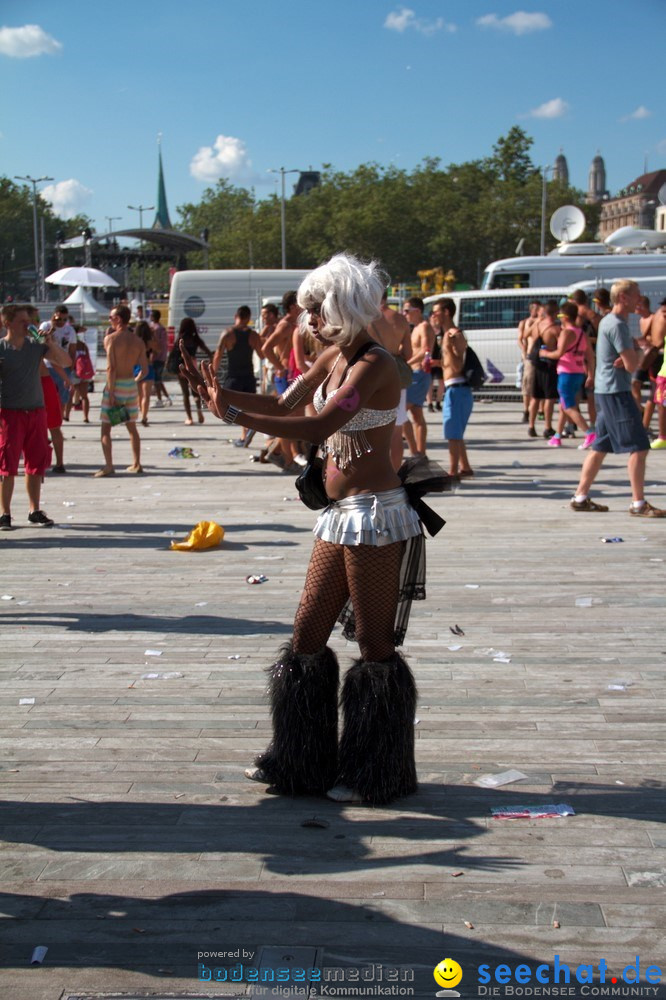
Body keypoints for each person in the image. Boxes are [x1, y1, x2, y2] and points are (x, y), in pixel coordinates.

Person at [180, 253, 430, 805]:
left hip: (375, 515)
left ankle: (374, 772)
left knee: (372, 642)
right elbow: (283, 402)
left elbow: (318, 424)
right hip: (336, 514)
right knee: (306, 634)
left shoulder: (374, 365)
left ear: (342, 306)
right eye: (306, 311)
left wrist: (236, 419)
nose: (308, 321)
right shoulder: (333, 357)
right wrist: (221, 400)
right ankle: (299, 759)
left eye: (315, 310)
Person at [571, 280, 665, 516]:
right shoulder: (618, 325)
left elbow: (626, 359)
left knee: (600, 445)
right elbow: (633, 365)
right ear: (624, 298)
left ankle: (580, 497)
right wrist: (635, 352)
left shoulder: (608, 321)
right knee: (640, 447)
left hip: (606, 389)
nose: (639, 299)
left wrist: (629, 353)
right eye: (636, 295)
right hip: (616, 391)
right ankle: (638, 504)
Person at [0, 303, 72, 529]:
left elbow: (66, 362)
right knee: (7, 464)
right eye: (22, 321)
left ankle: (34, 509)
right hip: (9, 413)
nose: (27, 325)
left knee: (36, 463)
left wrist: (49, 342)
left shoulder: (35, 346)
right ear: (7, 323)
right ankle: (5, 513)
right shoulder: (1, 348)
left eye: (28, 321)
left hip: (36, 411)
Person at [95, 305, 147, 477]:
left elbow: (111, 368)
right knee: (131, 427)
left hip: (115, 386)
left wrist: (110, 392)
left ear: (118, 319)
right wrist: (135, 381)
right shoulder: (138, 341)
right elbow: (144, 370)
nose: (110, 321)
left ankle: (109, 465)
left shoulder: (111, 339)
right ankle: (137, 463)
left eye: (111, 318)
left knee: (105, 429)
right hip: (130, 386)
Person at [540, 301, 596, 449]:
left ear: (564, 317)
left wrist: (544, 353)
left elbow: (559, 353)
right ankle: (557, 436)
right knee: (564, 405)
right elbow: (590, 356)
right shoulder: (582, 333)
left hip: (566, 373)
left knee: (569, 406)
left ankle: (589, 433)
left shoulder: (567, 332)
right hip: (578, 372)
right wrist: (591, 375)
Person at [368, 290, 412, 471]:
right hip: (395, 375)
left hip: (373, 372)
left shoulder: (367, 318)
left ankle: (375, 472)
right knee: (396, 428)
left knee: (371, 427)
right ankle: (394, 475)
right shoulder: (400, 319)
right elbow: (408, 353)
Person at [212, 306, 264, 446]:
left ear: (236, 316)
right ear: (248, 318)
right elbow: (261, 354)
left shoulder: (227, 334)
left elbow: (218, 355)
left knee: (229, 405)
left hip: (233, 376)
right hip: (248, 375)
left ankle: (244, 434)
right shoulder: (253, 335)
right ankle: (246, 433)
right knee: (247, 407)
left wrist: (213, 374)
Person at [438, 297, 474, 478]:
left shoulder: (455, 334)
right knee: (456, 432)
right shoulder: (446, 335)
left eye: (436, 311)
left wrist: (453, 346)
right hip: (455, 389)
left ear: (446, 312)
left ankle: (452, 472)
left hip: (458, 389)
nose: (433, 315)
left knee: (452, 433)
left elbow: (459, 362)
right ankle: (465, 467)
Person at [403, 297, 435, 457]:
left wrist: (406, 363)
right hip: (415, 373)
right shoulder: (415, 328)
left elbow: (425, 351)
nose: (405, 314)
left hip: (418, 374)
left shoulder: (424, 327)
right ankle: (420, 453)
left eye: (407, 311)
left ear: (418, 311)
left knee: (400, 413)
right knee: (416, 414)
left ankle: (416, 451)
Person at [527, 300, 560, 439]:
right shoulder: (555, 329)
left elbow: (525, 335)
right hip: (549, 365)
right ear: (556, 313)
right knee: (549, 398)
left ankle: (531, 426)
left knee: (535, 397)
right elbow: (561, 347)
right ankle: (547, 427)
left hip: (536, 364)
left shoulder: (537, 326)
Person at [176, 318, 212, 425]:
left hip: (181, 367)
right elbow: (208, 352)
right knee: (196, 391)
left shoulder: (180, 339)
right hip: (193, 365)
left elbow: (174, 354)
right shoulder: (195, 339)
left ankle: (189, 418)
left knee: (185, 394)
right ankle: (199, 411)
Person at [517, 300, 541, 424]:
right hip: (530, 358)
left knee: (540, 384)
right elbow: (521, 338)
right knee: (528, 384)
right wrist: (524, 350)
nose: (538, 312)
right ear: (531, 310)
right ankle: (526, 410)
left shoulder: (543, 323)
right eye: (536, 309)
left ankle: (540, 410)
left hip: (541, 357)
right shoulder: (525, 323)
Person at [649, 299, 666, 449]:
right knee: (660, 404)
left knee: (662, 404)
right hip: (664, 373)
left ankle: (663, 436)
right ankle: (662, 437)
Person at [135, 320, 157, 426]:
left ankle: (140, 413)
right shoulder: (150, 342)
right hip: (147, 366)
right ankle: (144, 416)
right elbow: (159, 350)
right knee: (146, 395)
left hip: (135, 367)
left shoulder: (134, 341)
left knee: (139, 394)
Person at [149, 309, 172, 407]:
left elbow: (156, 344)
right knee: (158, 379)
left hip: (156, 358)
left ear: (153, 317)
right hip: (161, 357)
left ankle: (160, 400)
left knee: (156, 380)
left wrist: (152, 356)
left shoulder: (156, 329)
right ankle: (167, 398)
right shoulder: (161, 328)